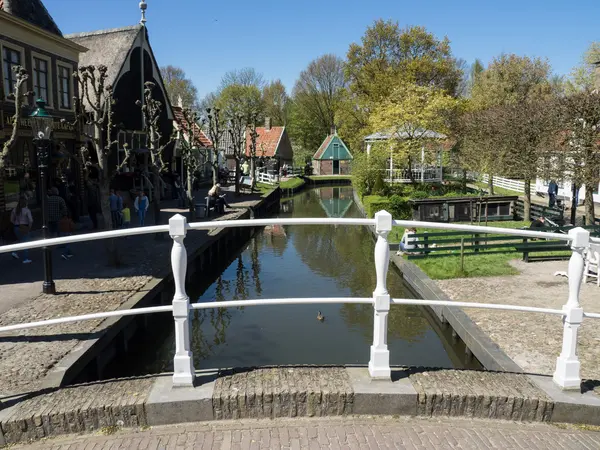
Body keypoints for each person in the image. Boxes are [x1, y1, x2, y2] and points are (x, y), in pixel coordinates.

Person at [10, 197, 33, 263]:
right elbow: (31, 220)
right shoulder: (27, 210)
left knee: (20, 240)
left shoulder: (15, 210)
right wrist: (29, 228)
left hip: (16, 227)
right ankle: (25, 258)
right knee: (25, 242)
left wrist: (16, 224)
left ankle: (15, 251)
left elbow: (11, 220)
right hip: (24, 227)